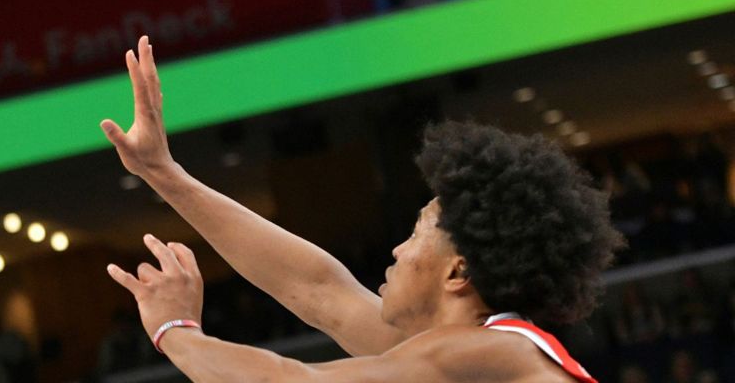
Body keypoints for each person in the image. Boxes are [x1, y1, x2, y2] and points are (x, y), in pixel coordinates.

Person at [100, 36, 622, 382]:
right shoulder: (462, 352)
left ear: (458, 269)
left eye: (419, 232)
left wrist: (176, 332)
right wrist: (163, 173)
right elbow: (319, 289)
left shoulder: (492, 357)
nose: (396, 249)